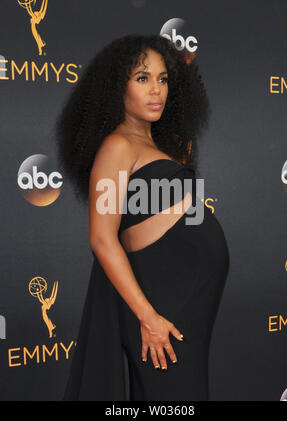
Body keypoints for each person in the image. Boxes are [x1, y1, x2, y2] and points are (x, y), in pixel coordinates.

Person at [55, 34, 230, 401]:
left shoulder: (158, 146)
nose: (156, 90)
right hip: (159, 306)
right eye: (142, 78)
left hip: (191, 304)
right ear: (117, 87)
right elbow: (102, 239)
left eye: (163, 79)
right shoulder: (117, 146)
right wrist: (147, 317)